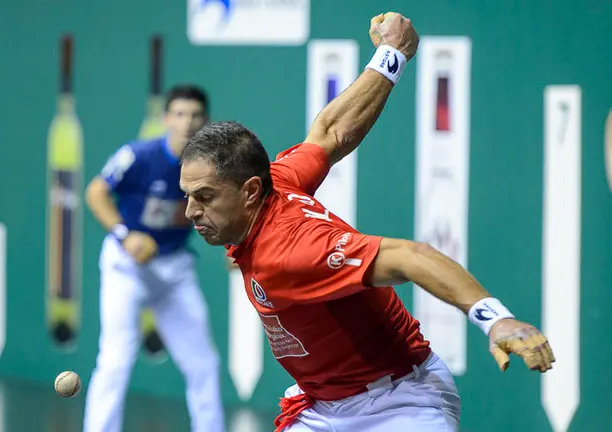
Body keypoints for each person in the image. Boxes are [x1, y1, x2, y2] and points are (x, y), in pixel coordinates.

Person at [179, 12, 555, 432]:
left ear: (249, 191)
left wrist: (496, 318)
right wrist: (392, 55)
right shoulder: (279, 180)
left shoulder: (293, 252)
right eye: (188, 196)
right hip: (322, 408)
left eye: (205, 197)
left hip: (401, 404)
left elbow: (411, 256)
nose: (191, 211)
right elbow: (332, 132)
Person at [83, 84, 224, 432]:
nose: (187, 123)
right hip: (126, 268)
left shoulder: (214, 168)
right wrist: (124, 234)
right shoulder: (137, 156)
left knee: (203, 363)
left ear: (206, 120)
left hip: (175, 269)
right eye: (179, 114)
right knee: (116, 359)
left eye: (195, 115)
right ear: (166, 119)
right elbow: (96, 191)